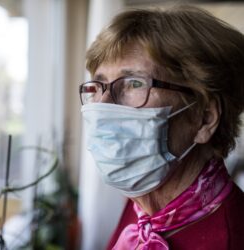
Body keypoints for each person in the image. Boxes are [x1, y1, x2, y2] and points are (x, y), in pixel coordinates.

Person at [79, 5, 244, 250]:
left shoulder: (231, 238)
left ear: (204, 118)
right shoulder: (144, 205)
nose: (102, 104)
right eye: (99, 84)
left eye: (134, 83)